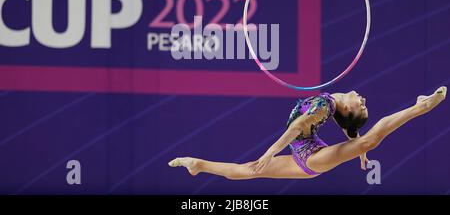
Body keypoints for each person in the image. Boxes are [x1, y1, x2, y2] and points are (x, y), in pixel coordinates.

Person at [168, 87, 447, 180]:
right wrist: (358, 148)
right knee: (247, 171)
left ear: (347, 109)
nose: (362, 100)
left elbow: (295, 127)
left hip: (312, 156)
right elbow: (344, 126)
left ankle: (420, 106)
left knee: (370, 138)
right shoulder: (329, 105)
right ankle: (198, 165)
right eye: (363, 104)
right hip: (306, 155)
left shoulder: (325, 106)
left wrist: (269, 152)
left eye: (360, 106)